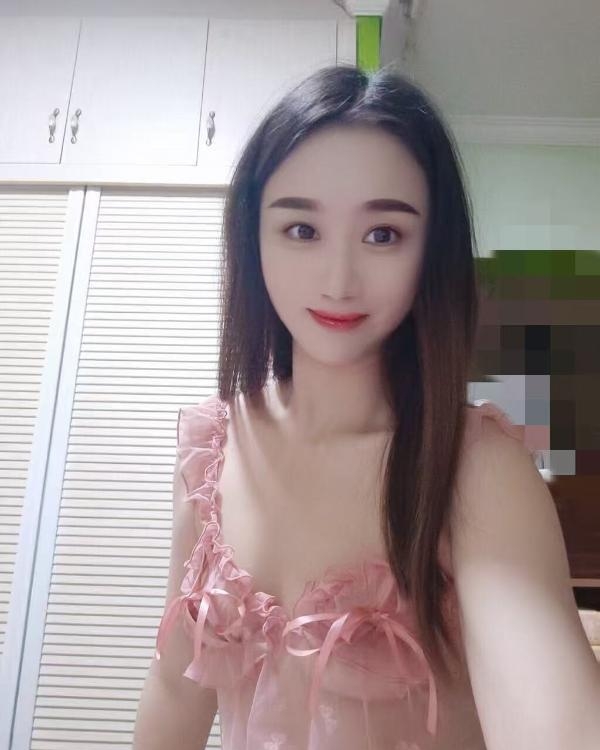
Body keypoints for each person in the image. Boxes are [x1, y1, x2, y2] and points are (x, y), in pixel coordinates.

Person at [133, 64, 600, 750]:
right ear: (253, 237)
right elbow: (176, 688)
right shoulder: (211, 455)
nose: (339, 280)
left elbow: (554, 720)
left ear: (429, 252)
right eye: (301, 230)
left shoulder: (473, 469)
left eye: (383, 234)